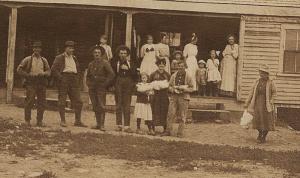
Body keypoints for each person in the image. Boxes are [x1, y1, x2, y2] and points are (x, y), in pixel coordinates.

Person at [51, 41, 86, 127]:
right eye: (69, 48)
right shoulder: (59, 57)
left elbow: (78, 69)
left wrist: (77, 79)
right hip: (64, 78)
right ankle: (63, 121)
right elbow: (53, 69)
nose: (71, 50)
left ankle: (77, 121)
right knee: (62, 100)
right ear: (65, 48)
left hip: (73, 80)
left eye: (72, 48)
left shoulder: (74, 58)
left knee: (79, 101)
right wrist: (61, 78)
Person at [17, 41, 51, 127]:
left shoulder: (44, 60)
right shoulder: (27, 59)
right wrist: (28, 75)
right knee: (30, 101)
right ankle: (27, 120)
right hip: (31, 82)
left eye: (38, 48)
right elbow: (19, 69)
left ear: (41, 49)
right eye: (35, 48)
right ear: (33, 49)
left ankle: (39, 121)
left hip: (41, 82)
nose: (37, 50)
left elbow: (49, 71)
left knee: (41, 102)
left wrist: (44, 73)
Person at [245, 64, 276, 144]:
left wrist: (272, 100)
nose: (261, 74)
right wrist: (247, 102)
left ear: (266, 74)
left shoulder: (271, 82)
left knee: (266, 121)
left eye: (263, 73)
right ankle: (260, 134)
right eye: (260, 72)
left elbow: (274, 92)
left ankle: (264, 136)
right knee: (257, 120)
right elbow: (251, 92)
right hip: (258, 103)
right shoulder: (257, 81)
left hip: (266, 104)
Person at [86, 45, 115, 131]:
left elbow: (112, 74)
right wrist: (89, 84)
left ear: (101, 54)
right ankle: (98, 124)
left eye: (98, 53)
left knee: (101, 105)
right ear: (93, 54)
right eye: (95, 53)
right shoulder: (91, 64)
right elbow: (88, 76)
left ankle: (102, 125)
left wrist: (105, 84)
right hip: (92, 88)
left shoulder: (105, 63)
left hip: (101, 87)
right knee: (95, 106)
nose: (97, 54)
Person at [162, 60, 193, 138]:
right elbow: (169, 86)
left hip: (184, 97)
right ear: (177, 67)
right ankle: (168, 131)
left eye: (182, 66)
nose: (180, 68)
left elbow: (192, 88)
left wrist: (184, 89)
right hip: (174, 97)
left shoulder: (188, 76)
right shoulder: (173, 75)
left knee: (182, 116)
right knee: (170, 114)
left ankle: (180, 133)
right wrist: (172, 89)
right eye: (179, 66)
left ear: (185, 67)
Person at [111, 45, 138, 133]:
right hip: (118, 84)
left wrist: (129, 69)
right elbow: (112, 75)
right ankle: (119, 125)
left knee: (127, 105)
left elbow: (135, 75)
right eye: (121, 53)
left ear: (127, 55)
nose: (123, 55)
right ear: (118, 54)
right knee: (118, 104)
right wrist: (112, 85)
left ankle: (127, 126)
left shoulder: (131, 63)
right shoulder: (114, 63)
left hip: (128, 84)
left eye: (125, 53)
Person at [150, 58, 171, 135]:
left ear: (165, 65)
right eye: (160, 64)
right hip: (156, 95)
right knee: (154, 110)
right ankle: (152, 128)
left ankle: (165, 128)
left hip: (164, 95)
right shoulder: (153, 74)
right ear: (157, 65)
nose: (161, 65)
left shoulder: (167, 75)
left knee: (164, 110)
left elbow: (170, 84)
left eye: (163, 64)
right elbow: (150, 84)